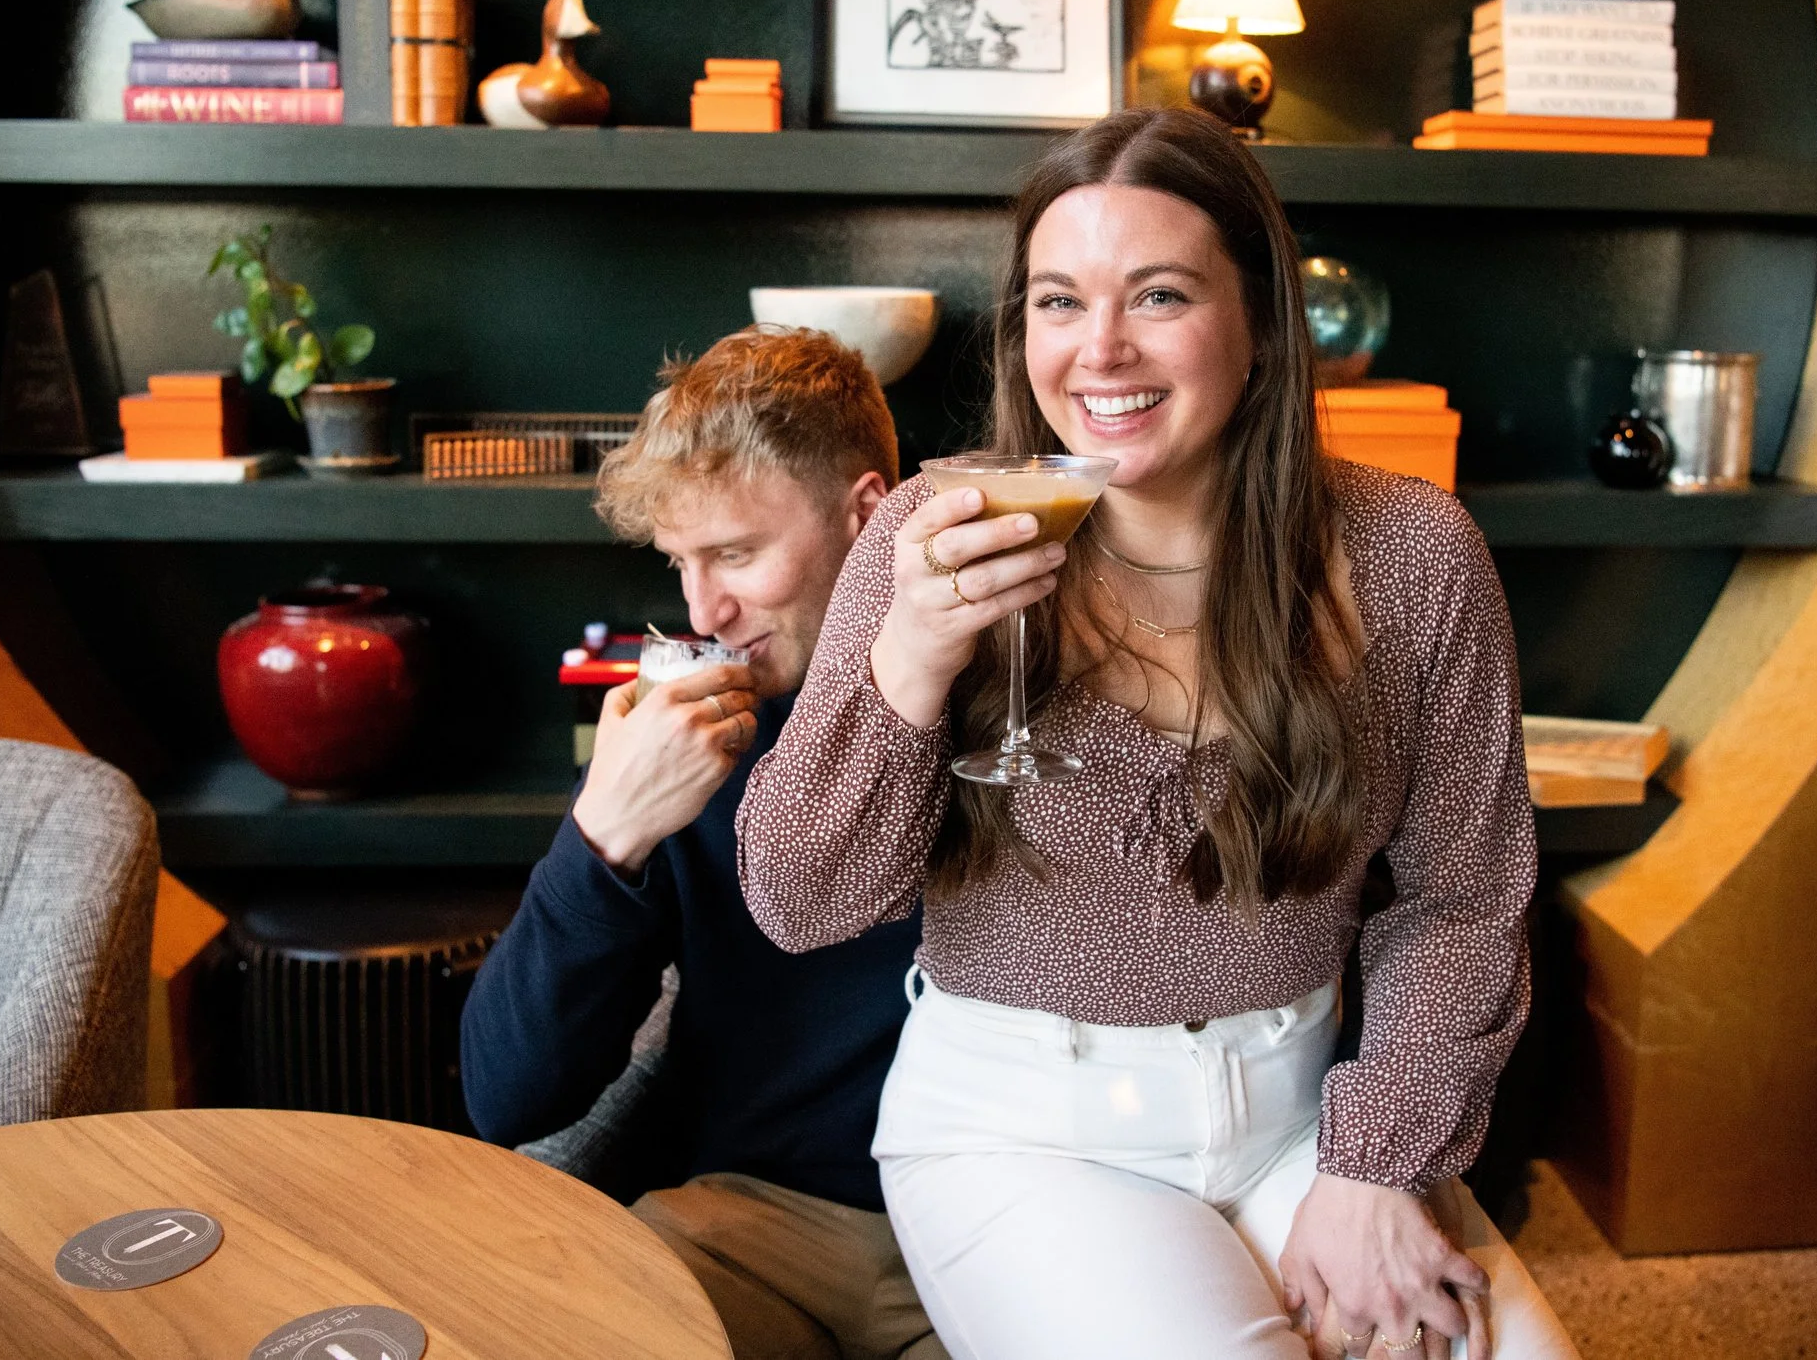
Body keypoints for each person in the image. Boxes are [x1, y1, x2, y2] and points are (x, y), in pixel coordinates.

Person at [737, 108, 1580, 1360]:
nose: (1100, 352)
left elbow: (1463, 898)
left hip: (1306, 1113)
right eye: (1059, 302)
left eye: (1161, 295)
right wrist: (910, 653)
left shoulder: (1412, 555)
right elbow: (797, 898)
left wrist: (1375, 1164)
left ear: (1260, 322)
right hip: (1022, 1132)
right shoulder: (938, 530)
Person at [462, 326, 947, 1360]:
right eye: (681, 562)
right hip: (748, 1220)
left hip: (995, 1220)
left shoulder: (1009, 712)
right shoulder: (691, 739)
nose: (704, 609)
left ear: (868, 516)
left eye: (735, 553)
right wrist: (607, 834)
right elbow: (506, 1097)